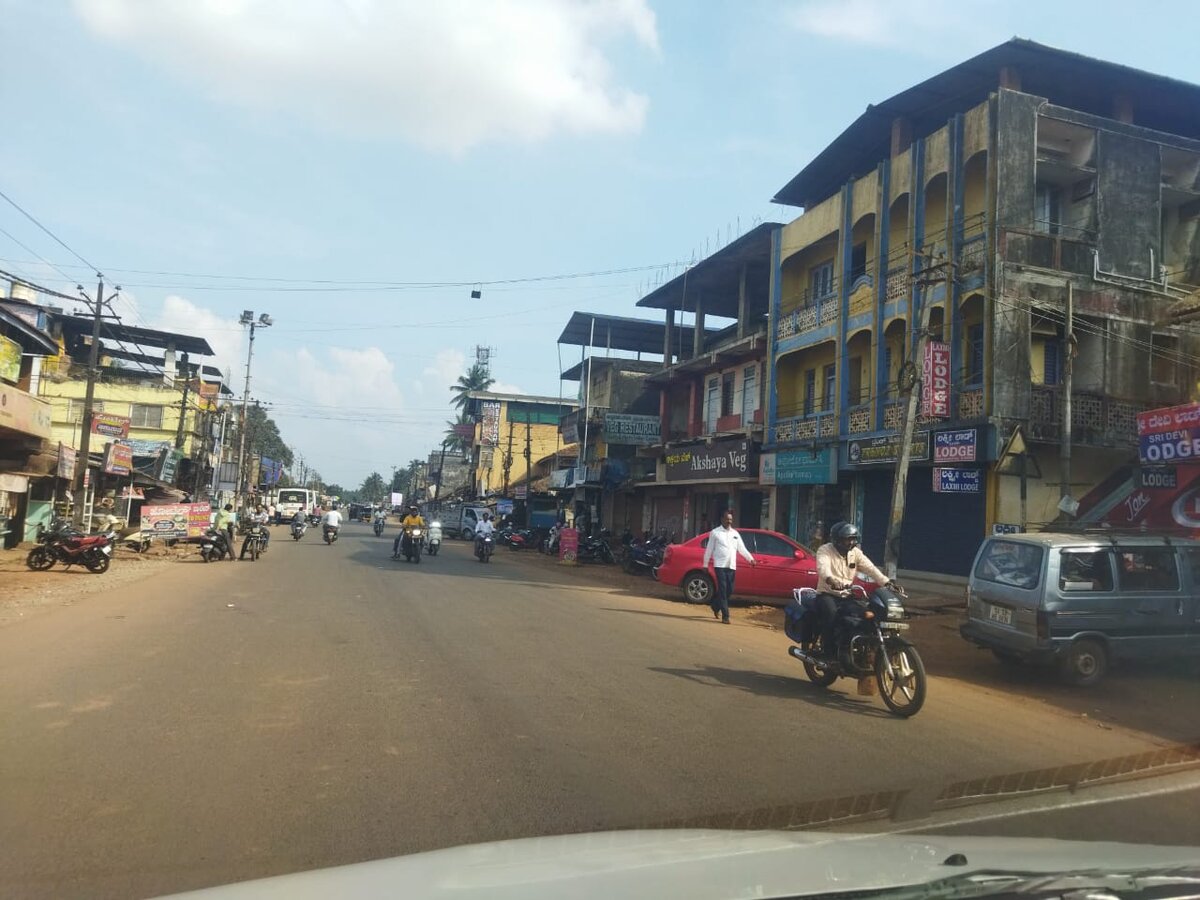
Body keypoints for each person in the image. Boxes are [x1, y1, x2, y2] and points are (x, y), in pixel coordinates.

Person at [813, 522, 892, 660]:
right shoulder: (825, 550)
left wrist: (887, 582)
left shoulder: (855, 553)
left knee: (866, 615)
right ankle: (828, 651)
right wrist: (831, 580)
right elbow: (822, 568)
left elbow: (871, 569)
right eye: (847, 539)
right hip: (827, 594)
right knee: (831, 615)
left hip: (847, 595)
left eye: (853, 539)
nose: (851, 542)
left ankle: (856, 646)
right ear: (837, 540)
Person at [701, 510, 756, 624]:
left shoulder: (735, 533)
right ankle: (726, 616)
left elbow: (742, 548)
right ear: (722, 519)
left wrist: (750, 559)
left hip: (731, 565)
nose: (729, 521)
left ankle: (716, 606)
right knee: (722, 589)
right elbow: (709, 549)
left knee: (729, 590)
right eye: (727, 519)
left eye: (731, 519)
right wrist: (705, 564)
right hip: (720, 565)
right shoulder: (715, 533)